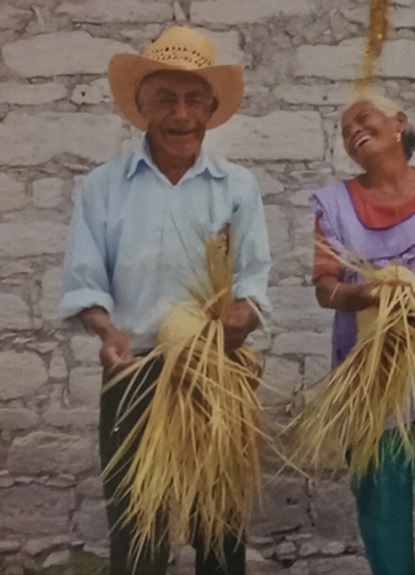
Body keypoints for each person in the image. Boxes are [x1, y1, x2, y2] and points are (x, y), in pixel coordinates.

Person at [58, 26, 271, 575]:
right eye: (165, 99)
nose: (181, 114)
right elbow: (85, 281)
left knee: (219, 528)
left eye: (194, 99)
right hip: (134, 374)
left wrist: (234, 325)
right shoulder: (104, 188)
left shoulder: (236, 187)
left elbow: (252, 282)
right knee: (138, 529)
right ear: (141, 107)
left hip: (215, 373)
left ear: (212, 107)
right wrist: (108, 334)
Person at [310, 92, 415, 575]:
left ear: (399, 124)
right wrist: (367, 295)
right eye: (345, 132)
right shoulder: (333, 205)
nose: (353, 133)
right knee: (381, 505)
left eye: (362, 119)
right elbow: (326, 288)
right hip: (372, 377)